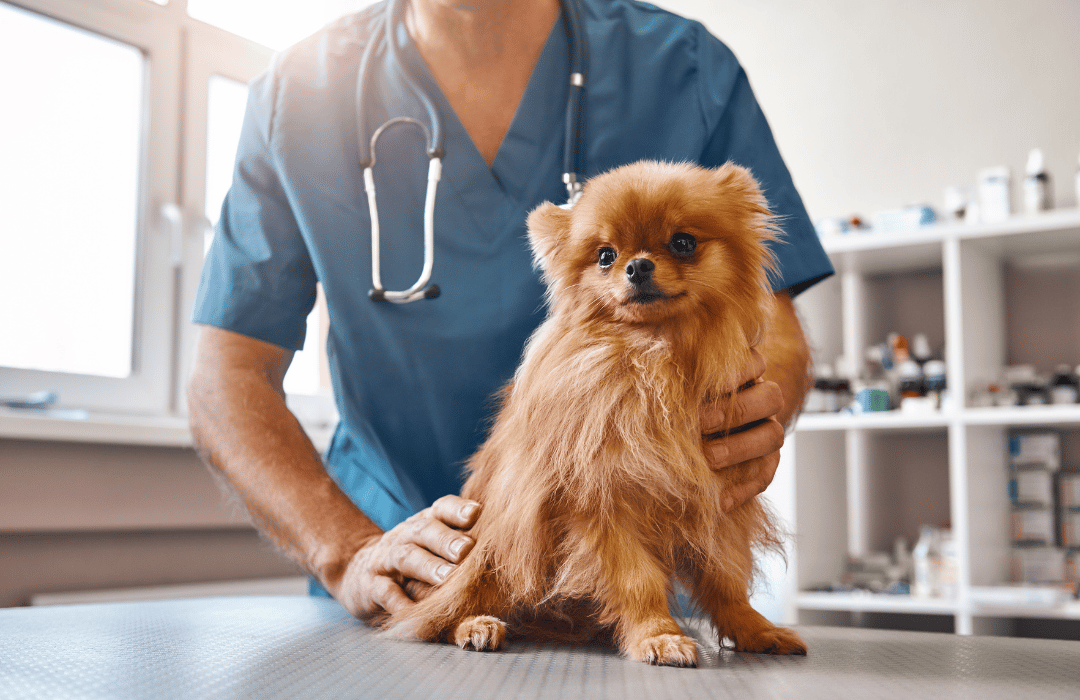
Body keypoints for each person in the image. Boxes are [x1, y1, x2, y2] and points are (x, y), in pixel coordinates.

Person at [188, 0, 834, 622]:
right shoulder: (298, 91)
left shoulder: (683, 68)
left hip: (641, 578)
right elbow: (227, 376)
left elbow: (771, 323)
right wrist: (349, 551)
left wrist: (748, 411)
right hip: (396, 573)